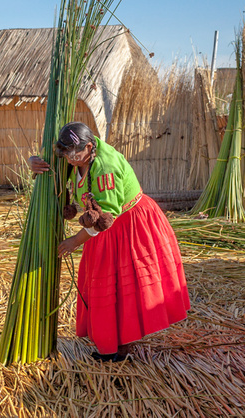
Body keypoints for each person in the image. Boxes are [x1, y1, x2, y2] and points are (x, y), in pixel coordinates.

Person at [28, 121, 190, 362]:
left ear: (90, 146)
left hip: (128, 225)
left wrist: (74, 241)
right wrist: (33, 161)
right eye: (66, 154)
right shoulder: (76, 153)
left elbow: (105, 218)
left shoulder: (105, 168)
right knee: (103, 286)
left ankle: (121, 350)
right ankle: (110, 343)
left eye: (75, 154)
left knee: (122, 288)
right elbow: (53, 158)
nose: (69, 159)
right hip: (107, 230)